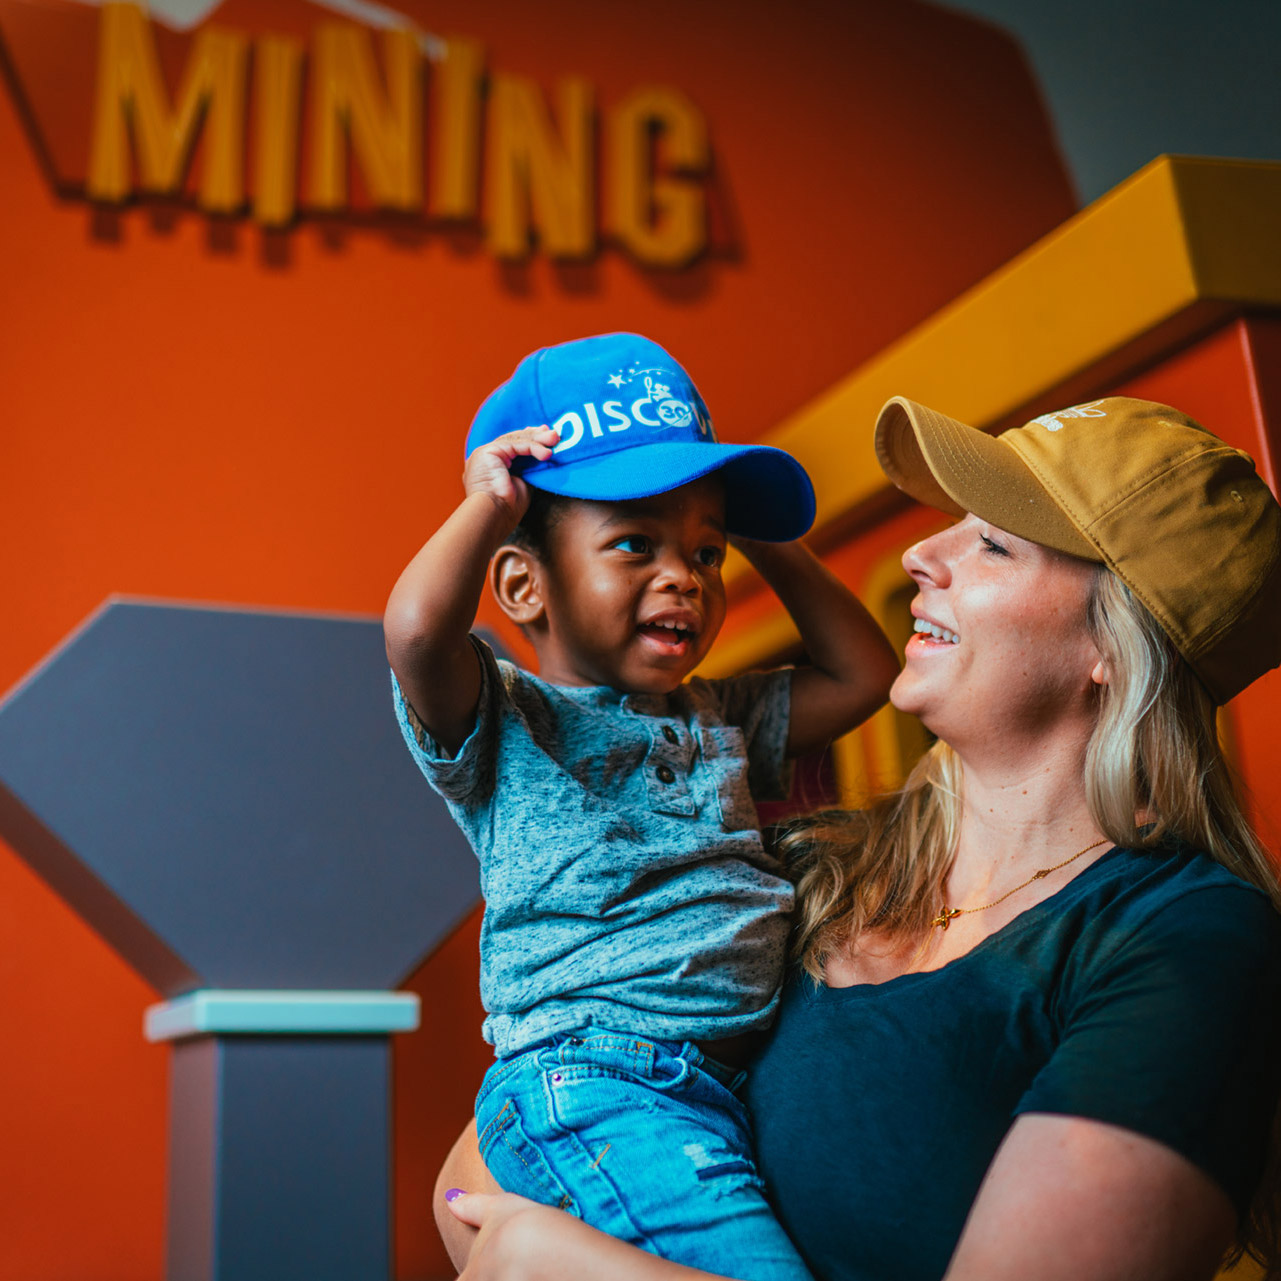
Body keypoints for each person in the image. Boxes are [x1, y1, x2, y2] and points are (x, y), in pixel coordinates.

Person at [434, 393, 1281, 1281]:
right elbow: (478, 1176)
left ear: (1113, 640)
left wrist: (565, 1263)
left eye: (992, 542)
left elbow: (521, 1250)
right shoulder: (805, 875)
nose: (922, 554)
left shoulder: (1186, 937)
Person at [383, 332, 899, 1279]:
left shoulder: (717, 713)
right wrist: (488, 507)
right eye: (636, 543)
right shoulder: (508, 722)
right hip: (599, 1083)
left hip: (708, 1087)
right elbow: (416, 633)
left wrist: (769, 540)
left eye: (707, 551)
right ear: (521, 582)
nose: (686, 578)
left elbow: (864, 672)